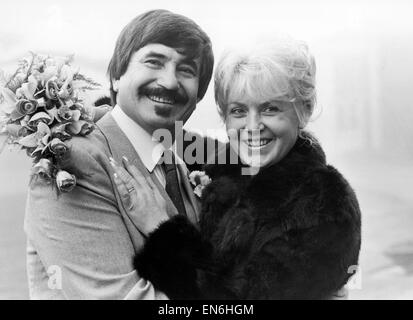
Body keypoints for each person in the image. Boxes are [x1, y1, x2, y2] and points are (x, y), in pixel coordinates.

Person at [112, 38, 362, 299]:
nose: (252, 126)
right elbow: (176, 137)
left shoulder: (328, 206)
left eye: (270, 108)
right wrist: (109, 116)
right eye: (239, 110)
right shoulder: (230, 165)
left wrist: (160, 228)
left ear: (304, 110)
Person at [24, 9, 213, 299]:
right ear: (115, 76)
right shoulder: (72, 162)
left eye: (187, 70)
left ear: (197, 97)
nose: (170, 81)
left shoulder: (178, 167)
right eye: (154, 61)